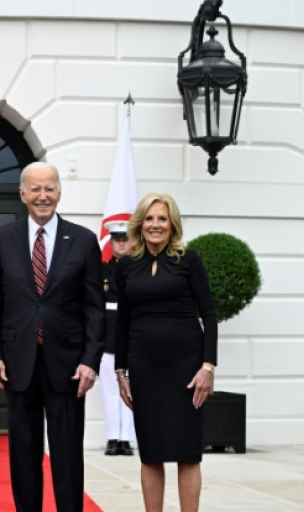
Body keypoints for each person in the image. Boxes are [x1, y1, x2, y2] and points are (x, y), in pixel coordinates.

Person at [0, 161, 105, 512]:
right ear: (22, 194)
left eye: (49, 188)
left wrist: (90, 361)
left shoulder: (83, 240)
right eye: (35, 189)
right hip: (17, 362)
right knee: (23, 454)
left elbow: (94, 308)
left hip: (68, 365)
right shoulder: (2, 239)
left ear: (59, 193)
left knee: (67, 454)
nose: (42, 196)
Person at [114, 193, 217, 512]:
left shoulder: (189, 260)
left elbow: (209, 313)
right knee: (151, 452)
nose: (155, 225)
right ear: (140, 224)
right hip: (144, 368)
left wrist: (208, 367)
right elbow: (123, 320)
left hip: (187, 369)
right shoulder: (126, 265)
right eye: (149, 218)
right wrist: (120, 371)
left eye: (162, 218)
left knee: (188, 452)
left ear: (172, 224)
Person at [100, 220, 136, 456]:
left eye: (125, 240)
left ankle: (127, 439)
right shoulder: (101, 270)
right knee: (110, 389)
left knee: (131, 388)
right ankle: (113, 437)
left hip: (132, 336)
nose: (121, 244)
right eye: (117, 240)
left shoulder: (138, 268)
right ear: (111, 243)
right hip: (107, 336)